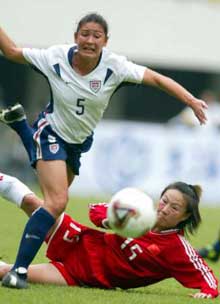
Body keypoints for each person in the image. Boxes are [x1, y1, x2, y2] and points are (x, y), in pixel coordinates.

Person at [0, 13, 208, 289]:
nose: (90, 40)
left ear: (105, 41)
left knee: (49, 206)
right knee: (56, 201)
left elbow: (157, 79)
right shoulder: (55, 57)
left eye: (97, 36)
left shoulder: (115, 66)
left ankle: (19, 135)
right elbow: (12, 52)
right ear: (76, 36)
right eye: (85, 34)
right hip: (51, 132)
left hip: (77, 144)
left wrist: (190, 99)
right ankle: (19, 272)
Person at [0, 172, 218, 298]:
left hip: (81, 276)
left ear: (184, 217)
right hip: (78, 241)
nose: (165, 208)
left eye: (175, 208)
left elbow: (208, 278)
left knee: (6, 272)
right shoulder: (138, 211)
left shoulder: (177, 249)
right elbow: (96, 208)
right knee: (32, 202)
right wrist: (111, 219)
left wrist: (207, 293)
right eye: (165, 200)